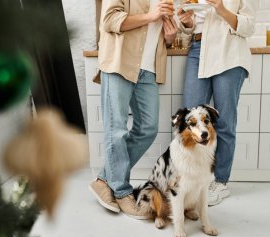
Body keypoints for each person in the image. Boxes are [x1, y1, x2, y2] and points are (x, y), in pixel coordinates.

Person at [89, 0, 178, 219]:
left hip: (148, 69)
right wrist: (151, 15)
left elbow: (162, 35)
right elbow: (109, 20)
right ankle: (120, 190)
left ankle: (103, 180)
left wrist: (170, 35)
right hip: (120, 62)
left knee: (148, 128)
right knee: (116, 129)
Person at [177, 0, 256, 205]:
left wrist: (221, 9)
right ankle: (192, 178)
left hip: (228, 50)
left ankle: (220, 181)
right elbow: (192, 25)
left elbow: (249, 26)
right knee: (191, 121)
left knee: (224, 122)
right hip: (197, 49)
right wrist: (186, 23)